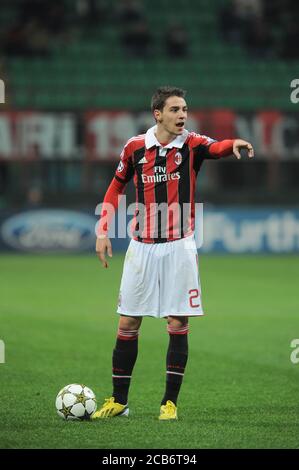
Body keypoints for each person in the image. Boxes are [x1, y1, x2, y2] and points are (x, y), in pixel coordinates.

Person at [92, 86, 254, 420]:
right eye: (176, 109)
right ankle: (118, 400)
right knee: (127, 321)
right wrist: (103, 230)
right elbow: (115, 186)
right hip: (141, 247)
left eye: (185, 109)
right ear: (158, 114)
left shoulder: (192, 143)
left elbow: (217, 147)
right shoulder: (136, 147)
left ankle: (169, 403)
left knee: (177, 321)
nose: (183, 115)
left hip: (180, 246)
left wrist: (232, 144)